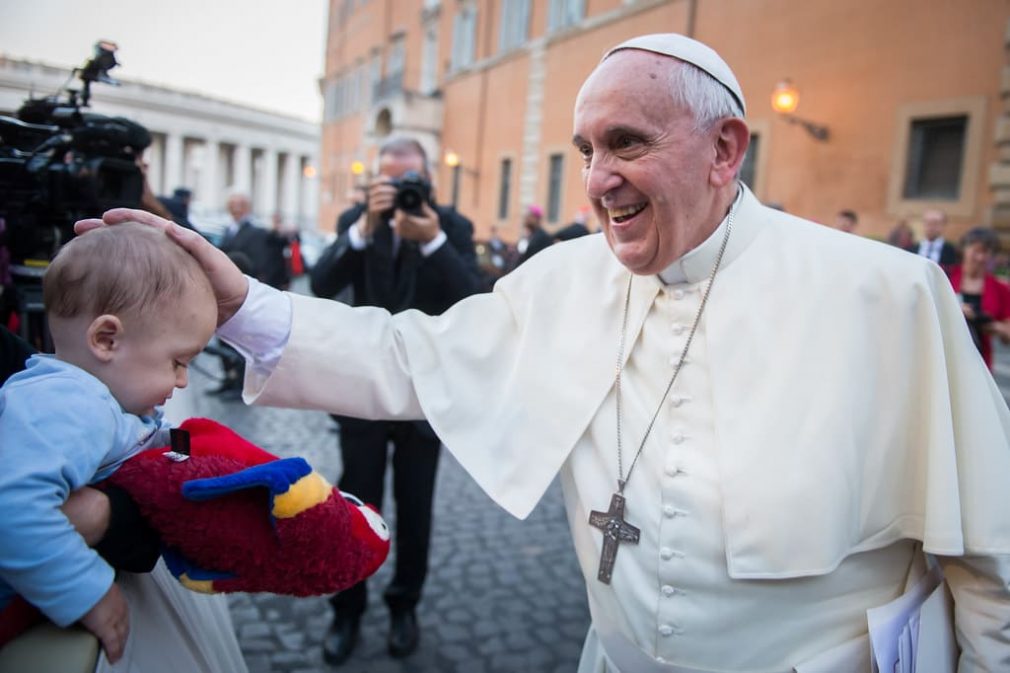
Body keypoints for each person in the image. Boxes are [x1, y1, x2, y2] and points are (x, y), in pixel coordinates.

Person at [83, 33, 1010, 672]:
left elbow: (991, 557)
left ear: (726, 147)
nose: (598, 178)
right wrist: (241, 301)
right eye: (584, 147)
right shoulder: (570, 278)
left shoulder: (884, 296)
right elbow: (411, 357)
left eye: (628, 143)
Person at [0, 224, 218, 663]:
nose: (183, 380)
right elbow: (12, 504)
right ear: (106, 339)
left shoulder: (91, 399)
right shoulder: (70, 404)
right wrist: (87, 592)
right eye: (177, 361)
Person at [309, 136, 480, 664]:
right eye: (392, 180)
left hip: (426, 398)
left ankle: (405, 605)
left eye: (412, 180)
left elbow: (474, 299)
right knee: (355, 503)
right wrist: (361, 231)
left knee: (417, 508)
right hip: (364, 392)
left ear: (428, 180)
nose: (403, 189)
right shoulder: (357, 222)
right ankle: (347, 609)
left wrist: (431, 242)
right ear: (375, 182)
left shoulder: (452, 227)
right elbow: (320, 283)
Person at [948, 227, 1010, 370]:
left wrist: (991, 325)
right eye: (976, 251)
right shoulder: (946, 277)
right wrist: (956, 309)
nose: (981, 257)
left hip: (980, 359)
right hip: (947, 354)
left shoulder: (999, 288)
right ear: (964, 249)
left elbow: (1007, 335)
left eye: (986, 252)